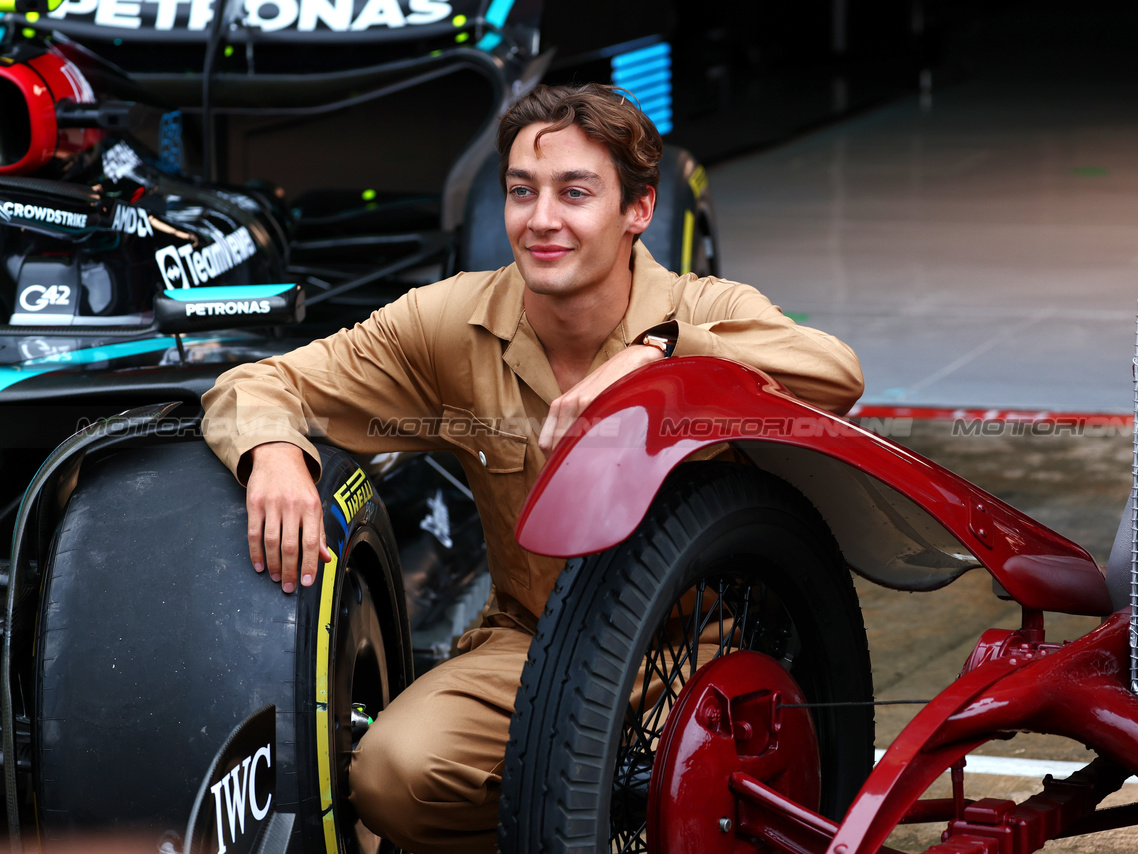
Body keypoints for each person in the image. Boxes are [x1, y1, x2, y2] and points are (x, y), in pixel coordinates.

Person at [201, 82, 864, 853]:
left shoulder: (704, 306)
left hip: (706, 648)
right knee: (392, 774)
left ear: (638, 210)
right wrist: (274, 451)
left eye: (575, 192)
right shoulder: (450, 321)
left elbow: (834, 374)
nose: (541, 219)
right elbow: (258, 381)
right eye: (523, 191)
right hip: (537, 645)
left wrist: (662, 356)